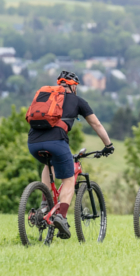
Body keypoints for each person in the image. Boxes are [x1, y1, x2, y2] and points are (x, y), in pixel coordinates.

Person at [27, 71, 115, 239]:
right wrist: (108, 145)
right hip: (57, 142)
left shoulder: (46, 96)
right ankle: (61, 216)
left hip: (33, 142)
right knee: (68, 179)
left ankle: (45, 205)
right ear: (73, 87)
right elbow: (96, 124)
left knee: (48, 164)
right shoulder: (78, 101)